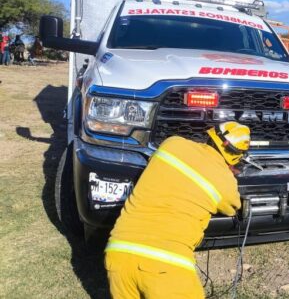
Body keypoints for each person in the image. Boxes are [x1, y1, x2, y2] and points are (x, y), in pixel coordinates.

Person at [105, 122, 249, 299]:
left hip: (118, 253)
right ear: (236, 158)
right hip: (165, 263)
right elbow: (232, 207)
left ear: (210, 136)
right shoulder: (225, 182)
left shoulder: (172, 144)